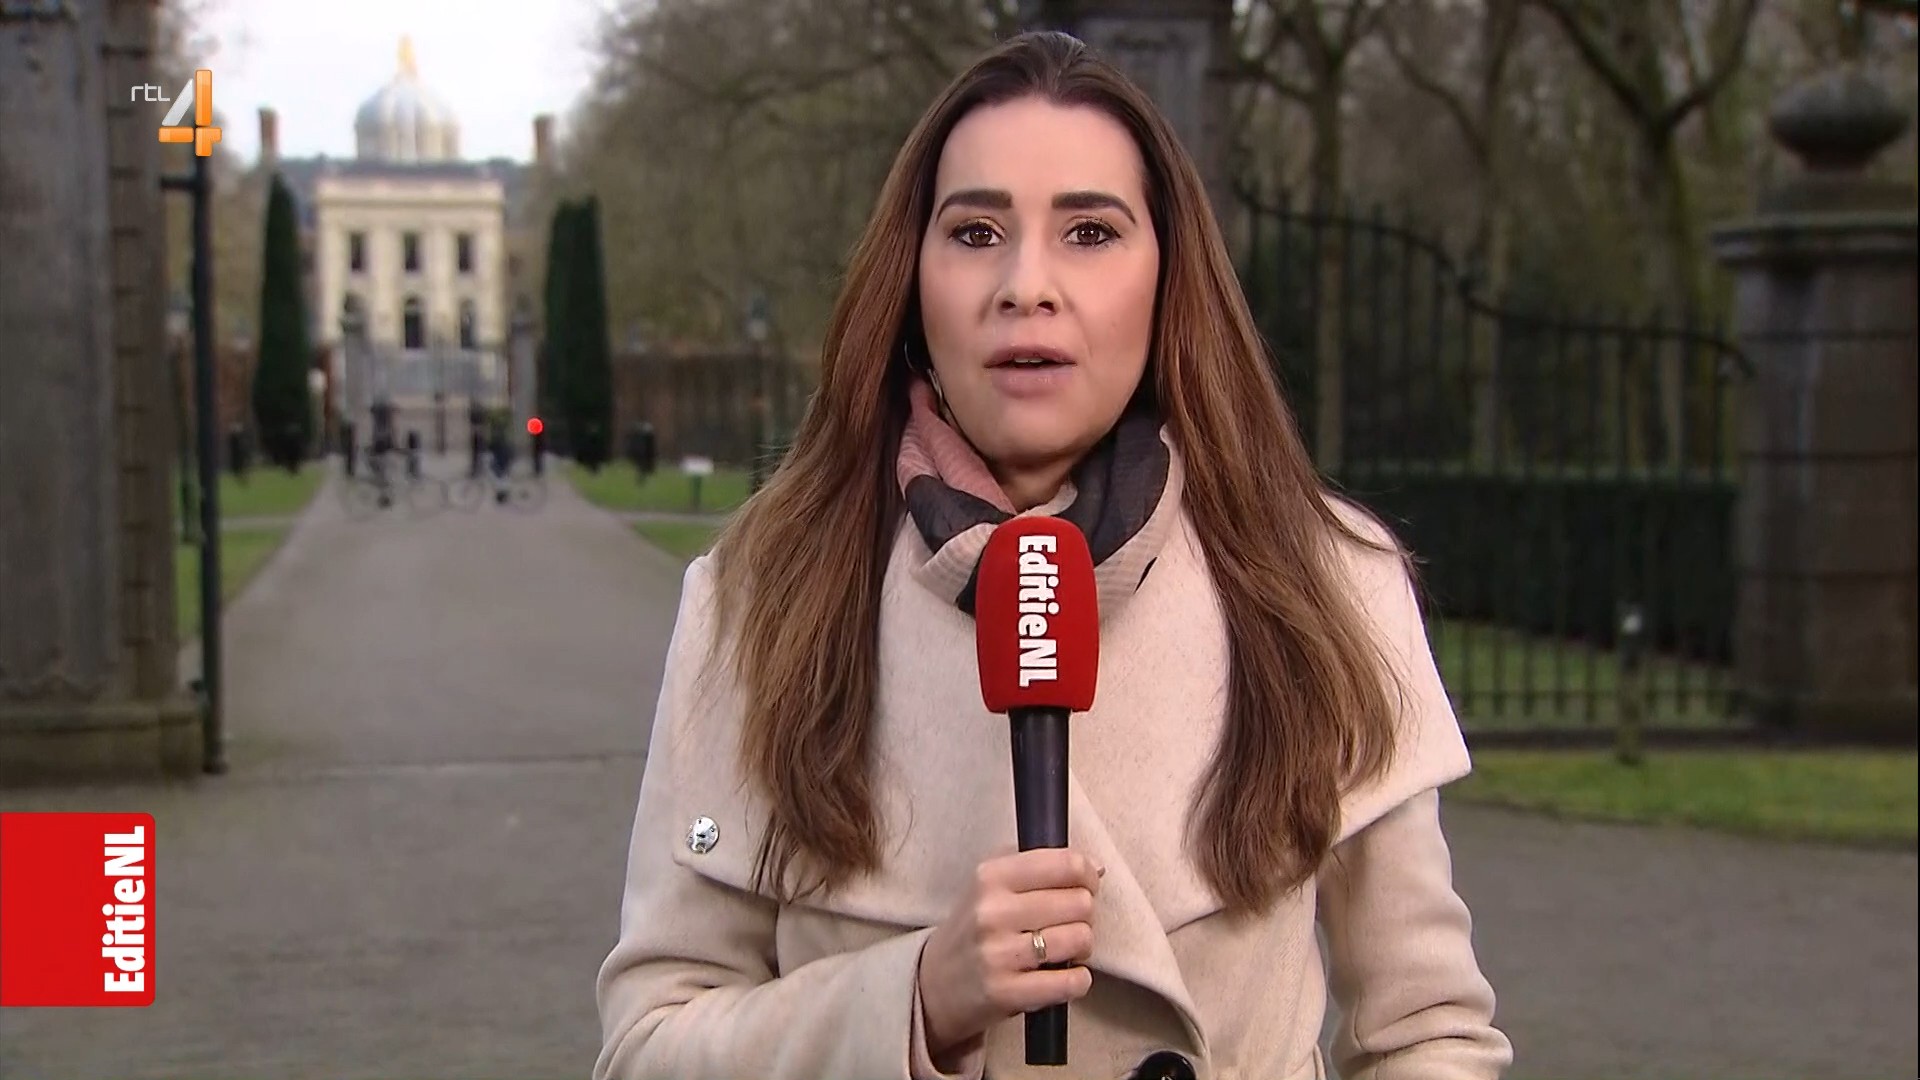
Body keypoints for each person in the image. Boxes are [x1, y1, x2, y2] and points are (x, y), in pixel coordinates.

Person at [594, 30, 1513, 1080]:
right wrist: (914, 1003)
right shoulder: (760, 606)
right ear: (913, 280)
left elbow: (1429, 1035)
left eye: (1089, 231)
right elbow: (648, 1047)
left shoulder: (1329, 585)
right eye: (976, 232)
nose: (1026, 284)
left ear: (1168, 279)